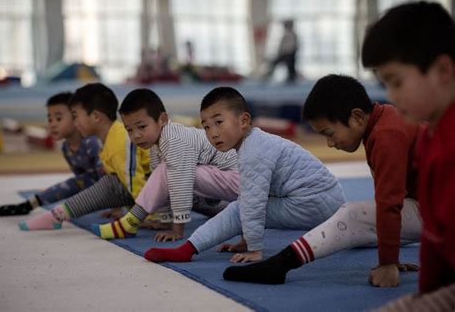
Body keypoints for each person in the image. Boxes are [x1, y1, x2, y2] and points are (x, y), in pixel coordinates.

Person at [222, 74, 422, 286]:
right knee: (366, 222)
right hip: (436, 208)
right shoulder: (385, 121)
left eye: (329, 133)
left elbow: (390, 204)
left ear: (357, 117)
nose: (329, 143)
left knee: (353, 214)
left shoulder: (386, 135)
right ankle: (279, 265)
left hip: (441, 212)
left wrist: (388, 264)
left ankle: (279, 265)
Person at [143, 87, 346, 263]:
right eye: (206, 127)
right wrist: (245, 240)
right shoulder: (253, 143)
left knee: (241, 208)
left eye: (219, 122)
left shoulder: (253, 150)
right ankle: (189, 249)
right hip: (326, 199)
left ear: (244, 121)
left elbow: (253, 204)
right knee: (242, 205)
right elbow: (253, 194)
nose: (212, 133)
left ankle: (186, 250)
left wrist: (254, 249)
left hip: (316, 201)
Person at [361, 1, 455, 310]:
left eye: (396, 81)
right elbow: (433, 239)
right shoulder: (429, 139)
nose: (391, 95)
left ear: (442, 71)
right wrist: (426, 294)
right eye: (386, 84)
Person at [91, 88, 239, 241]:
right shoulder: (157, 145)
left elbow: (179, 186)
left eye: (142, 127)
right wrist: (165, 219)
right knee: (165, 173)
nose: (136, 135)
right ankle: (131, 221)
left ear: (162, 119)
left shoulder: (173, 141)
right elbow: (163, 187)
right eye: (129, 130)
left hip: (237, 179)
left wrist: (177, 230)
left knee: (171, 174)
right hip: (223, 181)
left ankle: (130, 222)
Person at [18, 83, 150, 231]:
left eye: (75, 117)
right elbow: (125, 183)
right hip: (148, 193)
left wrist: (149, 217)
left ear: (95, 116)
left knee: (110, 183)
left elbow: (135, 181)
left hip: (161, 195)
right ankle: (57, 215)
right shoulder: (107, 142)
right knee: (110, 182)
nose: (75, 123)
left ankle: (57, 215)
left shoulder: (118, 141)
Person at [0, 92, 104, 217]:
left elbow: (109, 179)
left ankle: (30, 205)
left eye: (58, 118)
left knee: (72, 184)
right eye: (49, 119)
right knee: (72, 184)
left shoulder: (92, 142)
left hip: (117, 187)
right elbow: (80, 181)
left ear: (76, 118)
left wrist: (116, 207)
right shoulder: (66, 148)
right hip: (97, 187)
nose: (52, 124)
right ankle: (29, 204)